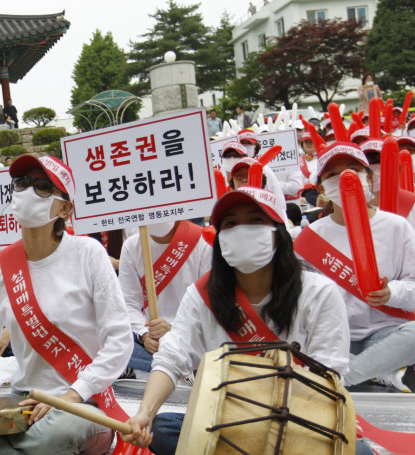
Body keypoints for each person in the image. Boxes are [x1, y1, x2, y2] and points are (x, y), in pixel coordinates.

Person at [0, 155, 133, 454]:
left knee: (62, 429)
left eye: (42, 186)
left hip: (79, 401)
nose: (27, 192)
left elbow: (119, 341)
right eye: (21, 183)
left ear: (65, 208)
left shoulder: (88, 253)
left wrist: (72, 395)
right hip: (20, 402)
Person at [121, 187, 354, 455]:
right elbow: (171, 359)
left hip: (299, 423)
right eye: (231, 223)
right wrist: (144, 414)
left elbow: (329, 378)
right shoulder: (201, 295)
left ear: (279, 233)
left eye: (256, 220)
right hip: (226, 420)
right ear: (220, 238)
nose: (242, 230)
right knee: (163, 428)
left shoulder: (319, 292)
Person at [294, 142, 415, 392]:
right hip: (335, 337)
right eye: (333, 174)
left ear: (369, 178)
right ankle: (378, 371)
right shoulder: (310, 238)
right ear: (321, 188)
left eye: (353, 170)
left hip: (388, 331)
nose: (345, 178)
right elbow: (297, 299)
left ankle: (341, 378)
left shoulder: (397, 226)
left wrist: (391, 293)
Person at [119, 219, 211, 378]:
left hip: (192, 341)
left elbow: (208, 305)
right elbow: (128, 304)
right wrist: (145, 333)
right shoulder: (131, 246)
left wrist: (172, 329)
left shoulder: (203, 242)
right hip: (151, 345)